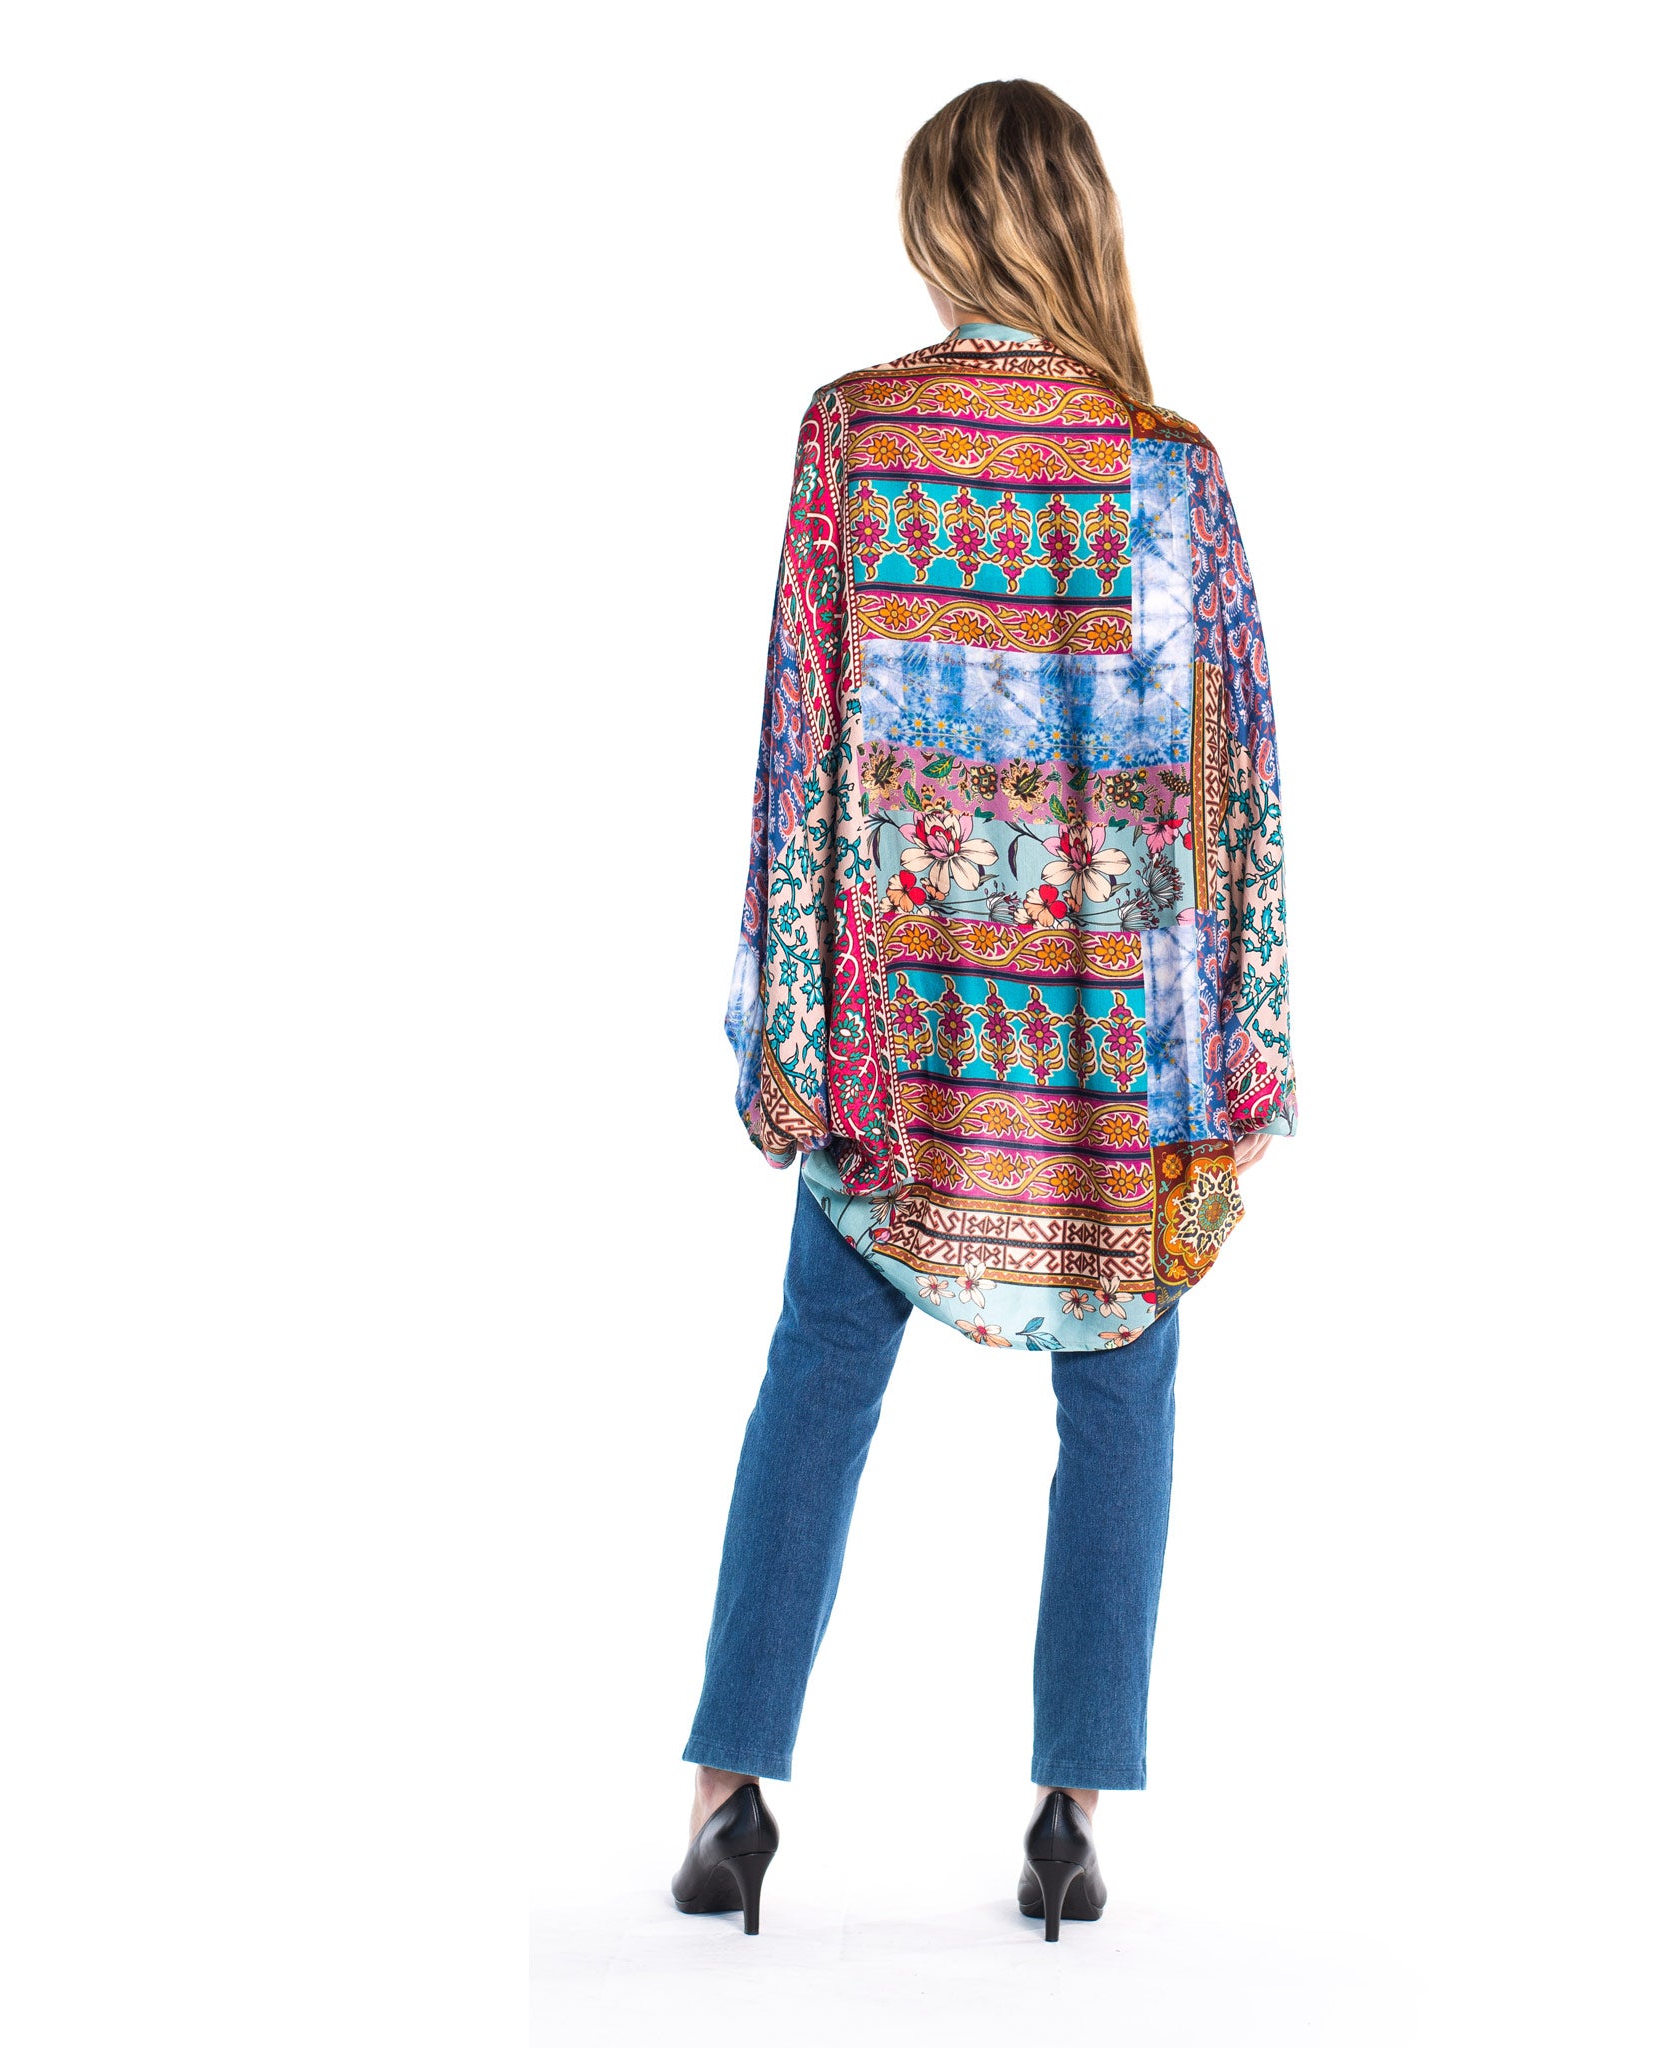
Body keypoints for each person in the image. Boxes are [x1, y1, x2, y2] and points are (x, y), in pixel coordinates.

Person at [673, 77, 1296, 1941]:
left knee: (817, 1364)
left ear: (944, 226)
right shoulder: (1168, 468)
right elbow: (1235, 785)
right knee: (1125, 1391)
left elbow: (803, 746)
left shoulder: (852, 435)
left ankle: (730, 1792)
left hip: (913, 1022)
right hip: (1104, 1043)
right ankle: (1069, 1814)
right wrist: (1232, 1041)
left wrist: (803, 1027)